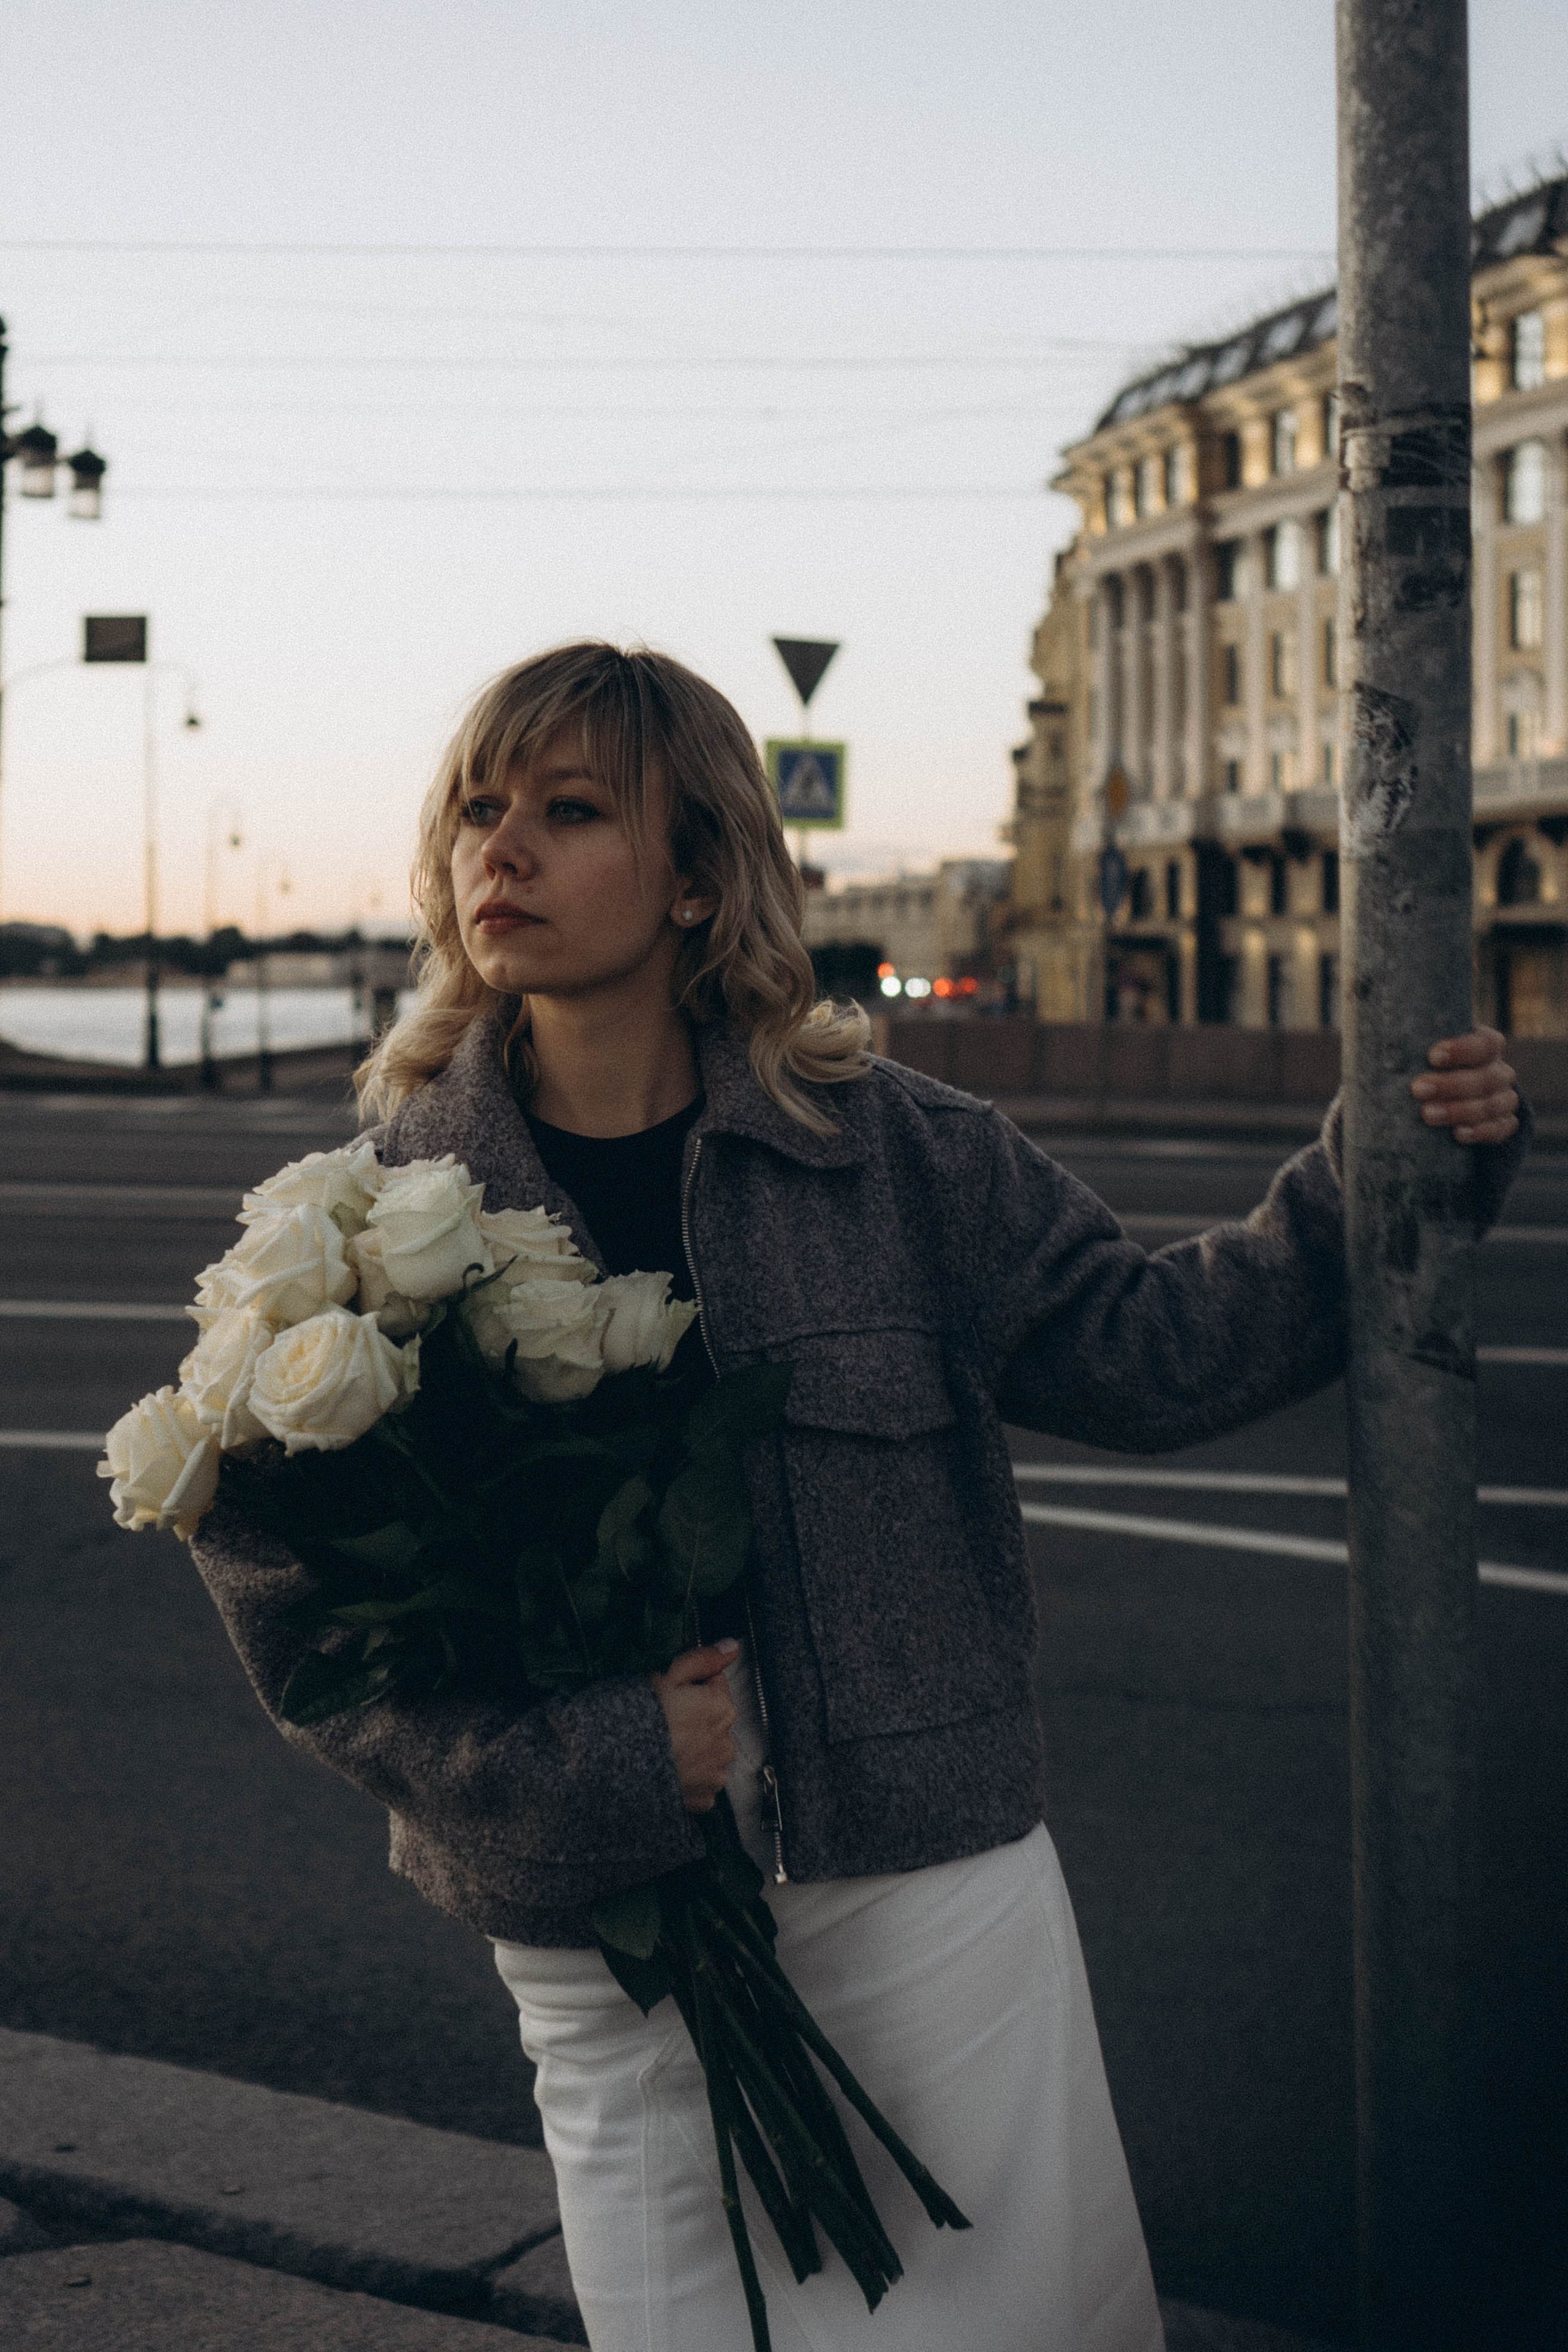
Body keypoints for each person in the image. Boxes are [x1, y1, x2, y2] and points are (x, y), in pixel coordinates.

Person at [190, 641, 1525, 2352]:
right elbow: (296, 1615)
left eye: (570, 810)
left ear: (694, 879)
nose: (499, 852)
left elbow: (1163, 1350)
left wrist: (1398, 1167)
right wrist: (583, 1765)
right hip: (610, 1940)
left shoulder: (895, 1150)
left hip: (929, 1904)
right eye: (479, 809)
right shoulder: (373, 1216)